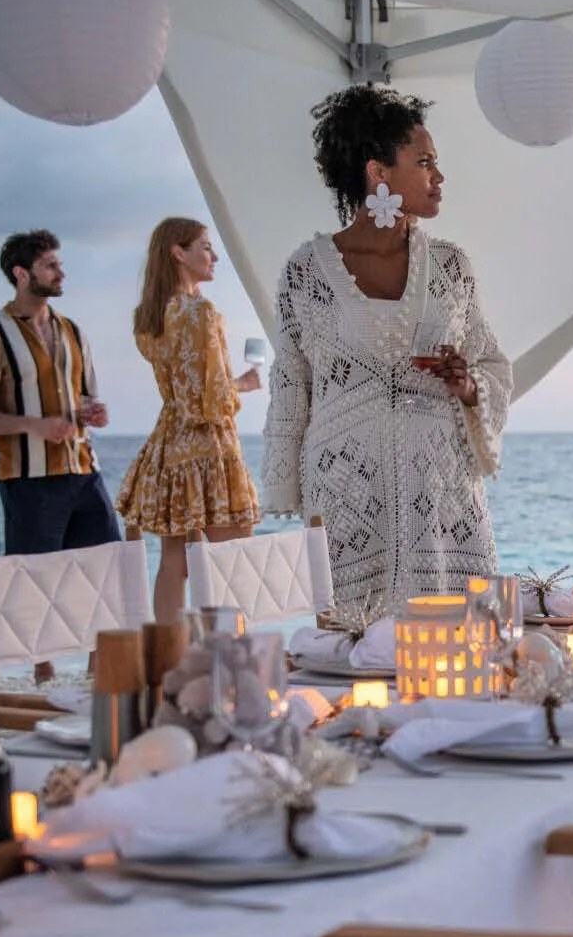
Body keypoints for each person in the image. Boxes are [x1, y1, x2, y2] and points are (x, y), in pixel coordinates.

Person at [261, 86, 512, 616]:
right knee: (353, 666)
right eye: (423, 163)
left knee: (460, 647)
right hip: (346, 492)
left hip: (441, 490)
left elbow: (489, 363)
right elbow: (290, 382)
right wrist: (284, 486)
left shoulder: (451, 268)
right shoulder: (306, 272)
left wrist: (466, 383)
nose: (438, 177)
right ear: (379, 172)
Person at [0, 229, 120, 681]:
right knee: (33, 582)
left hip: (84, 470)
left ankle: (98, 671)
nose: (60, 271)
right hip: (27, 479)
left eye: (58, 263)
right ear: (21, 273)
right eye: (50, 265)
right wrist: (33, 426)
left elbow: (86, 397)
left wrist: (94, 412)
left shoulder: (73, 331)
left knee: (105, 572)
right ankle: (41, 676)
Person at [115, 217, 263, 624]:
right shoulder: (201, 312)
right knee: (233, 559)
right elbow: (213, 401)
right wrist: (243, 387)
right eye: (204, 247)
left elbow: (186, 389)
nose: (213, 256)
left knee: (174, 564)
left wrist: (226, 386)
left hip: (170, 446)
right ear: (178, 253)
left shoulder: (150, 317)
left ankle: (170, 655)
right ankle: (232, 656)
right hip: (209, 447)